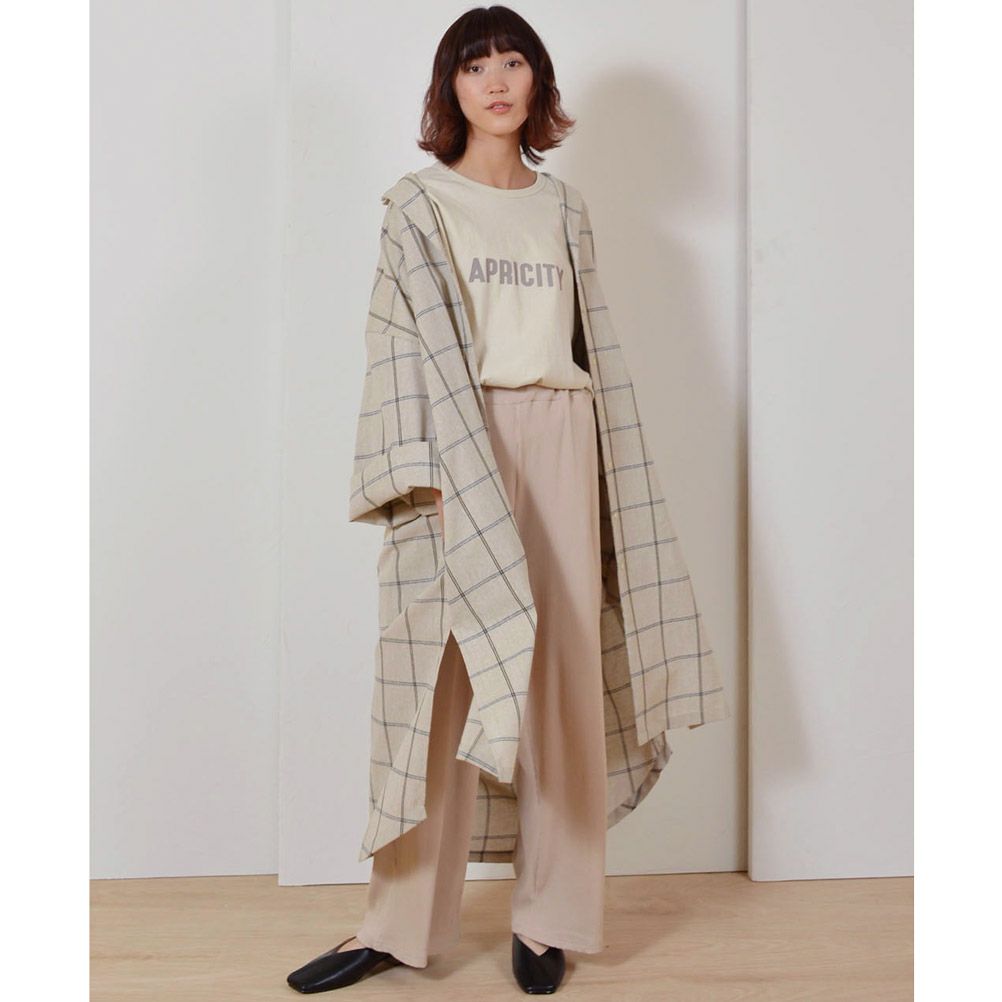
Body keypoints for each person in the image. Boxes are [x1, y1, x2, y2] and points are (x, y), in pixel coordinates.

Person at [289, 3, 730, 995]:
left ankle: (552, 917)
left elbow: (589, 345)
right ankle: (397, 925)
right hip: (461, 437)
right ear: (449, 87)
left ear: (538, 81)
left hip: (562, 435)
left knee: (563, 677)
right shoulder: (417, 204)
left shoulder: (564, 208)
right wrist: (424, 476)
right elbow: (396, 349)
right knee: (435, 682)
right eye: (475, 65)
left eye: (514, 61)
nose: (496, 80)